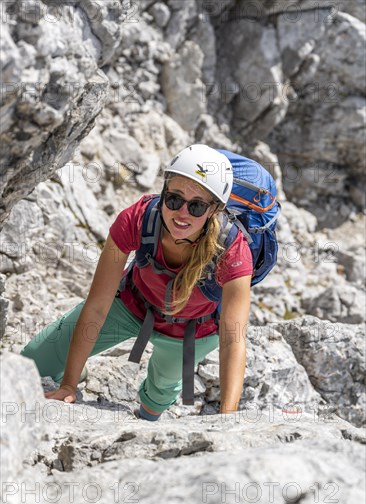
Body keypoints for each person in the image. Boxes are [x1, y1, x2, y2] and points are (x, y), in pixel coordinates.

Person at [20, 144, 253, 421]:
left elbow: (233, 340)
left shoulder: (233, 250)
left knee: (156, 402)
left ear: (214, 210)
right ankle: (75, 368)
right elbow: (97, 307)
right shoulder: (138, 219)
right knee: (31, 364)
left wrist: (228, 419)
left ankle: (153, 403)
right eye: (174, 199)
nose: (182, 213)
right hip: (132, 305)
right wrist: (68, 384)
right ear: (164, 192)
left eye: (197, 205)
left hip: (194, 331)